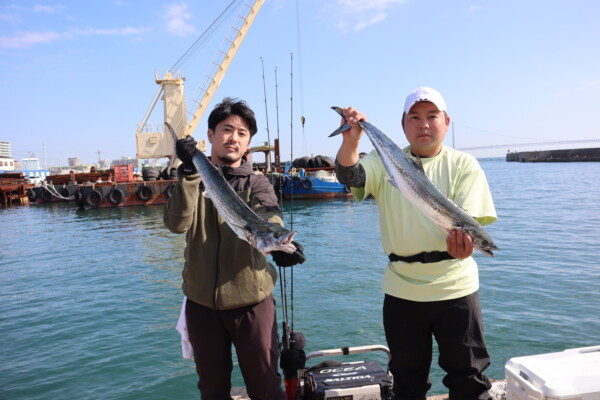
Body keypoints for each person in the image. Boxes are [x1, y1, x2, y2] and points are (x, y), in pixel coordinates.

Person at [334, 87, 497, 400]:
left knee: (469, 380)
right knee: (407, 383)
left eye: (432, 116)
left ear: (447, 122)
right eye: (415, 117)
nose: (424, 124)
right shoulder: (383, 163)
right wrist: (351, 138)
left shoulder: (465, 165)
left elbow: (467, 221)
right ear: (403, 125)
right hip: (401, 290)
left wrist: (466, 245)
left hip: (455, 288)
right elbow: (350, 176)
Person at [164, 97, 305, 400]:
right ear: (211, 135)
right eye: (227, 130)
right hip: (202, 306)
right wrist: (189, 171)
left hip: (252, 305)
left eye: (242, 133)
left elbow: (269, 216)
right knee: (212, 390)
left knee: (266, 388)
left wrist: (281, 246)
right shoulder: (193, 178)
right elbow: (176, 225)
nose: (234, 138)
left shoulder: (257, 183)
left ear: (249, 143)